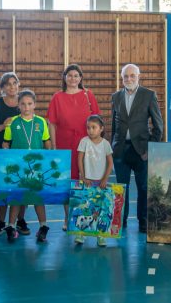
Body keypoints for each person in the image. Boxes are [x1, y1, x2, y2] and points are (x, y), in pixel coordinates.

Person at [110, 64, 163, 233]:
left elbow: (158, 126)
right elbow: (114, 125)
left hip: (142, 150)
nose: (129, 79)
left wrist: (151, 149)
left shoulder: (149, 95)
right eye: (126, 76)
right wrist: (112, 147)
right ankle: (121, 220)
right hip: (120, 150)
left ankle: (143, 221)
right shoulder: (116, 97)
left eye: (132, 76)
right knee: (121, 188)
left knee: (143, 188)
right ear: (122, 78)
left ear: (139, 77)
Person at [47, 63, 100, 230]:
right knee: (67, 184)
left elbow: (97, 121)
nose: (73, 78)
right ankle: (67, 218)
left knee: (88, 181)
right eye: (69, 75)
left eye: (76, 75)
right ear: (64, 78)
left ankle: (89, 218)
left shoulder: (88, 95)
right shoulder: (57, 97)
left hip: (86, 145)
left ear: (81, 78)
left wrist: (97, 144)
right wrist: (55, 147)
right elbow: (51, 124)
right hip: (65, 146)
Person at [2, 89, 53, 243]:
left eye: (30, 104)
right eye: (23, 104)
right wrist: (6, 153)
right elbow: (6, 143)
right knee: (17, 197)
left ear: (35, 105)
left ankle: (43, 226)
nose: (26, 107)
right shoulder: (13, 122)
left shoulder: (41, 122)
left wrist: (48, 155)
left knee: (38, 198)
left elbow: (47, 142)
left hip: (36, 167)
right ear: (18, 105)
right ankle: (11, 227)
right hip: (19, 166)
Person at [0, 72, 27, 236]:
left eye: (15, 83)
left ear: (18, 85)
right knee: (1, 187)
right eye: (8, 84)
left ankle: (20, 220)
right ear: (2, 87)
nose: (12, 86)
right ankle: (1, 221)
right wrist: (2, 126)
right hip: (0, 151)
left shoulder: (24, 103)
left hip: (20, 151)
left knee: (21, 187)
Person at [74, 115, 114, 247]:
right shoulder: (84, 141)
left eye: (94, 127)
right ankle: (81, 233)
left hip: (101, 183)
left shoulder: (106, 144)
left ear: (101, 129)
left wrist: (105, 179)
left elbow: (110, 163)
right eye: (88, 128)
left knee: (101, 209)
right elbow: (80, 159)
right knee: (85, 208)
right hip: (88, 182)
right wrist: (83, 176)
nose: (90, 130)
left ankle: (101, 235)